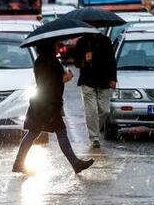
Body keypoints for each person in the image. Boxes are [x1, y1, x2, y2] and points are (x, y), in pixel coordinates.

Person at [12, 40, 94, 175]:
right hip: (48, 104)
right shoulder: (50, 61)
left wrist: (61, 78)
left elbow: (46, 81)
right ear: (49, 46)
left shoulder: (41, 61)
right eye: (57, 45)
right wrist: (64, 78)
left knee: (34, 132)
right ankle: (75, 163)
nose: (59, 47)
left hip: (42, 103)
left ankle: (19, 163)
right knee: (59, 132)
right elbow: (49, 82)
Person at [74, 33, 117, 148]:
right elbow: (76, 62)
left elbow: (112, 60)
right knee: (91, 111)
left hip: (104, 80)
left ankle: (94, 128)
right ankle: (94, 138)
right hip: (87, 81)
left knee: (105, 110)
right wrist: (85, 60)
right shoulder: (82, 41)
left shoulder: (105, 41)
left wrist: (113, 78)